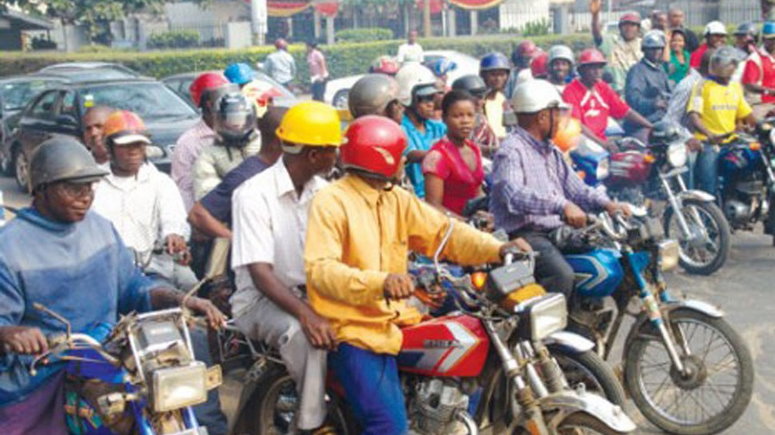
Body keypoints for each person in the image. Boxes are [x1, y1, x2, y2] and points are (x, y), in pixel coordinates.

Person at [304, 115, 529, 434]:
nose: (404, 162)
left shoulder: (394, 197)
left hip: (398, 320)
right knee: (388, 427)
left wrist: (497, 249)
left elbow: (444, 234)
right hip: (354, 329)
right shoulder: (331, 201)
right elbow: (320, 271)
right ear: (383, 159)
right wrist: (381, 283)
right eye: (400, 156)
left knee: (468, 381)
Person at [0, 137, 225, 434]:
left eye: (90, 187)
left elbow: (132, 287)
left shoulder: (100, 228)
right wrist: (12, 333)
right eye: (73, 188)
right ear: (41, 190)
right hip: (45, 370)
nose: (85, 197)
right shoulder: (10, 248)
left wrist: (178, 299)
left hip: (107, 358)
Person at [231, 101, 341, 434]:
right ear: (314, 155)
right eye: (333, 149)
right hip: (261, 302)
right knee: (305, 336)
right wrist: (307, 314)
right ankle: (310, 424)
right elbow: (261, 274)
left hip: (314, 294)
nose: (337, 155)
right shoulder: (252, 194)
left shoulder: (325, 192)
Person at [490, 79, 630, 300]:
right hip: (524, 233)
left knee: (608, 257)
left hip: (555, 231)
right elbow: (514, 195)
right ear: (542, 116)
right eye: (558, 114)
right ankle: (550, 332)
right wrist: (561, 205)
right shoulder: (511, 150)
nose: (561, 121)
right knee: (561, 275)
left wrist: (608, 204)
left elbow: (577, 189)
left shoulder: (551, 151)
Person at [91, 110, 197, 291]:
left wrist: (174, 235)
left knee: (191, 286)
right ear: (109, 148)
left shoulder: (160, 182)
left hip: (154, 268)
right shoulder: (93, 183)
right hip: (106, 272)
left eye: (139, 145)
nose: (133, 152)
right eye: (125, 146)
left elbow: (174, 217)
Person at [188, 107, 287, 239]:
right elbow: (198, 215)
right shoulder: (247, 176)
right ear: (277, 142)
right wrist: (239, 241)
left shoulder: (285, 170)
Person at [688, 46, 756, 196]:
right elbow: (694, 116)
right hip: (709, 144)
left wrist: (762, 126)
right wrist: (709, 134)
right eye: (731, 64)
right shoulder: (702, 86)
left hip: (732, 143)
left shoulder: (735, 87)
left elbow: (747, 114)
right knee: (709, 187)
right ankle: (709, 217)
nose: (733, 67)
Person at [563, 48, 652, 151]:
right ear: (581, 70)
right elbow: (577, 125)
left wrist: (650, 126)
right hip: (582, 143)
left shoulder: (602, 87)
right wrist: (602, 144)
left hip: (602, 140)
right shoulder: (570, 91)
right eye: (592, 68)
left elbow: (625, 111)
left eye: (600, 68)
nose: (597, 72)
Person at [172, 72, 234, 211]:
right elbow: (184, 190)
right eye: (223, 96)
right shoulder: (189, 143)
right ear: (209, 104)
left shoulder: (243, 132)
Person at [423, 90, 485, 216]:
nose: (465, 121)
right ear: (444, 118)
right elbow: (433, 206)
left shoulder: (474, 149)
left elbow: (478, 192)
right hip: (450, 228)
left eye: (470, 115)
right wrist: (466, 224)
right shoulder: (437, 156)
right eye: (457, 116)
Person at [193, 92, 261, 200]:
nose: (236, 124)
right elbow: (206, 194)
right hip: (229, 211)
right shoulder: (209, 155)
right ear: (222, 120)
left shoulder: (263, 145)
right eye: (231, 118)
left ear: (248, 118)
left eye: (240, 118)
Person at [663, 49, 713, 188]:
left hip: (707, 138)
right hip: (684, 138)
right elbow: (671, 120)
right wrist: (687, 138)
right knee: (688, 163)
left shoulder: (713, 84)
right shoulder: (689, 85)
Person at [396, 63, 446, 198]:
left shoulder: (437, 127)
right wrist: (445, 154)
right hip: (416, 196)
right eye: (424, 99)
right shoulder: (401, 129)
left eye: (432, 98)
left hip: (442, 191)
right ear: (408, 99)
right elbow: (411, 154)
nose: (430, 104)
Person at [625, 30, 672, 142]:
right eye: (652, 48)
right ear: (644, 50)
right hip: (644, 123)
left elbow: (669, 92)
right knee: (645, 155)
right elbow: (633, 99)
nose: (657, 51)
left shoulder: (660, 69)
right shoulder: (637, 70)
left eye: (659, 48)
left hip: (664, 120)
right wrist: (653, 103)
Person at [590, 0, 643, 93]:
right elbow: (597, 35)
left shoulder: (644, 45)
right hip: (613, 93)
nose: (628, 28)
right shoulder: (611, 41)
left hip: (636, 94)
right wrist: (595, 15)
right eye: (625, 25)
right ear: (620, 27)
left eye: (632, 25)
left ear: (638, 28)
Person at [452, 74, 498, 155]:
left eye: (483, 97)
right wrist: (488, 149)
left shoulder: (480, 119)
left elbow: (493, 142)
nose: (482, 102)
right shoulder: (450, 121)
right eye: (478, 97)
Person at [742, 21, 775, 117]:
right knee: (760, 128)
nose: (773, 42)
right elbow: (749, 85)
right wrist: (770, 91)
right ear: (763, 39)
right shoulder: (754, 59)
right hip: (760, 105)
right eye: (770, 39)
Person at [479, 52, 511, 140]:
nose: (498, 79)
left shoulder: (502, 98)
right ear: (483, 76)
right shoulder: (480, 101)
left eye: (502, 75)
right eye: (493, 75)